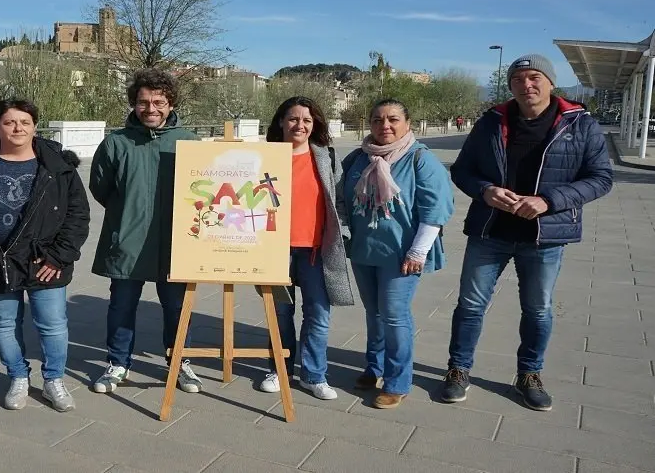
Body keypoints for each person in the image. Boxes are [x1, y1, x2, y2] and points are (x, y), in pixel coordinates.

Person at [441, 54, 613, 411]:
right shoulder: (491, 121)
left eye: (534, 77)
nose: (526, 85)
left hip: (544, 236)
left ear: (551, 83)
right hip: (490, 231)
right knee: (471, 305)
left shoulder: (579, 124)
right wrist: (485, 190)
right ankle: (458, 369)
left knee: (538, 309)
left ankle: (529, 375)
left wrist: (549, 201)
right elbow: (462, 170)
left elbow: (601, 178)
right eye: (518, 79)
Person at [0, 99, 90, 412]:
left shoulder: (57, 165)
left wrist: (59, 257)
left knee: (52, 323)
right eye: (10, 122)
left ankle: (54, 379)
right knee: (4, 324)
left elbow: (77, 215)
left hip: (44, 261)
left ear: (34, 125)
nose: (18, 128)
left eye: (24, 122)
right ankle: (18, 376)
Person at [89, 68, 204, 394]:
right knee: (122, 306)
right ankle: (118, 362)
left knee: (178, 308)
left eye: (158, 102)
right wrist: (129, 213)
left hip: (176, 242)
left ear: (170, 104)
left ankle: (180, 362)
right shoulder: (116, 143)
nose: (150, 109)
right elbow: (101, 187)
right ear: (133, 104)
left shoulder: (188, 142)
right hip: (128, 239)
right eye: (143, 102)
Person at [341, 99, 454, 409]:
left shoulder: (420, 159)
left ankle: (397, 381)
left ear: (408, 123)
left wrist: (418, 251)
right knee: (374, 313)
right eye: (377, 120)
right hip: (365, 251)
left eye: (392, 119)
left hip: (402, 254)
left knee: (393, 315)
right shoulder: (357, 158)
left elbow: (436, 211)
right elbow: (342, 201)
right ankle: (374, 368)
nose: (384, 125)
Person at [257, 96, 354, 400]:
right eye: (293, 119)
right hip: (275, 250)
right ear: (281, 122)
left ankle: (313, 375)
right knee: (280, 313)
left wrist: (344, 232)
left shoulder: (325, 157)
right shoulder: (264, 157)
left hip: (314, 250)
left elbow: (338, 199)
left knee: (318, 314)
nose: (300, 125)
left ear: (315, 125)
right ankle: (280, 370)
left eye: (307, 120)